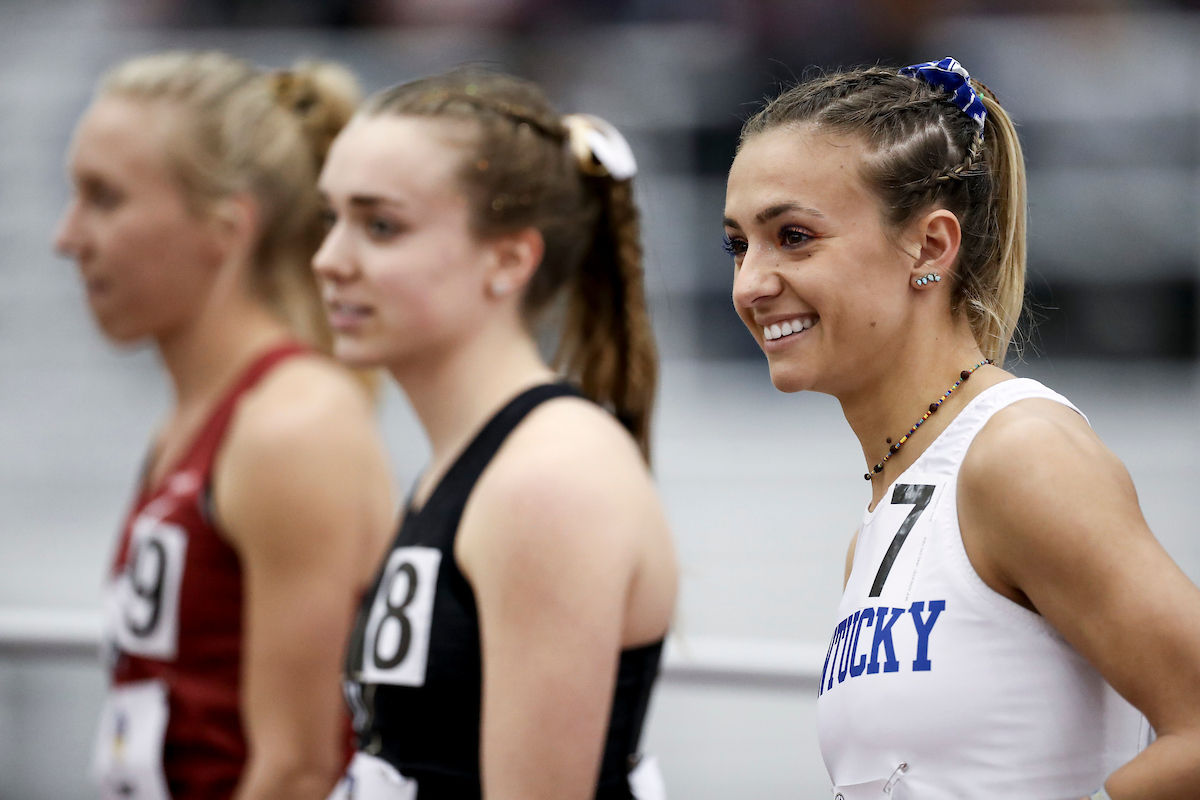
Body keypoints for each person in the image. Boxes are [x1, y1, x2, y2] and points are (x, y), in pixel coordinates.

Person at [723, 57, 1200, 799]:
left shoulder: (1020, 455)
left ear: (931, 246)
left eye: (793, 236)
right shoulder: (887, 515)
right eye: (737, 245)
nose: (750, 284)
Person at [314, 68, 678, 800]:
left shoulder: (547, 478)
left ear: (509, 259)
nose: (329, 260)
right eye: (330, 218)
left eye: (380, 226)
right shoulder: (473, 460)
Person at [55, 51, 396, 800]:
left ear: (227, 226)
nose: (67, 237)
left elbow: (299, 768)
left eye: (104, 199)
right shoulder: (195, 417)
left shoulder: (292, 426)